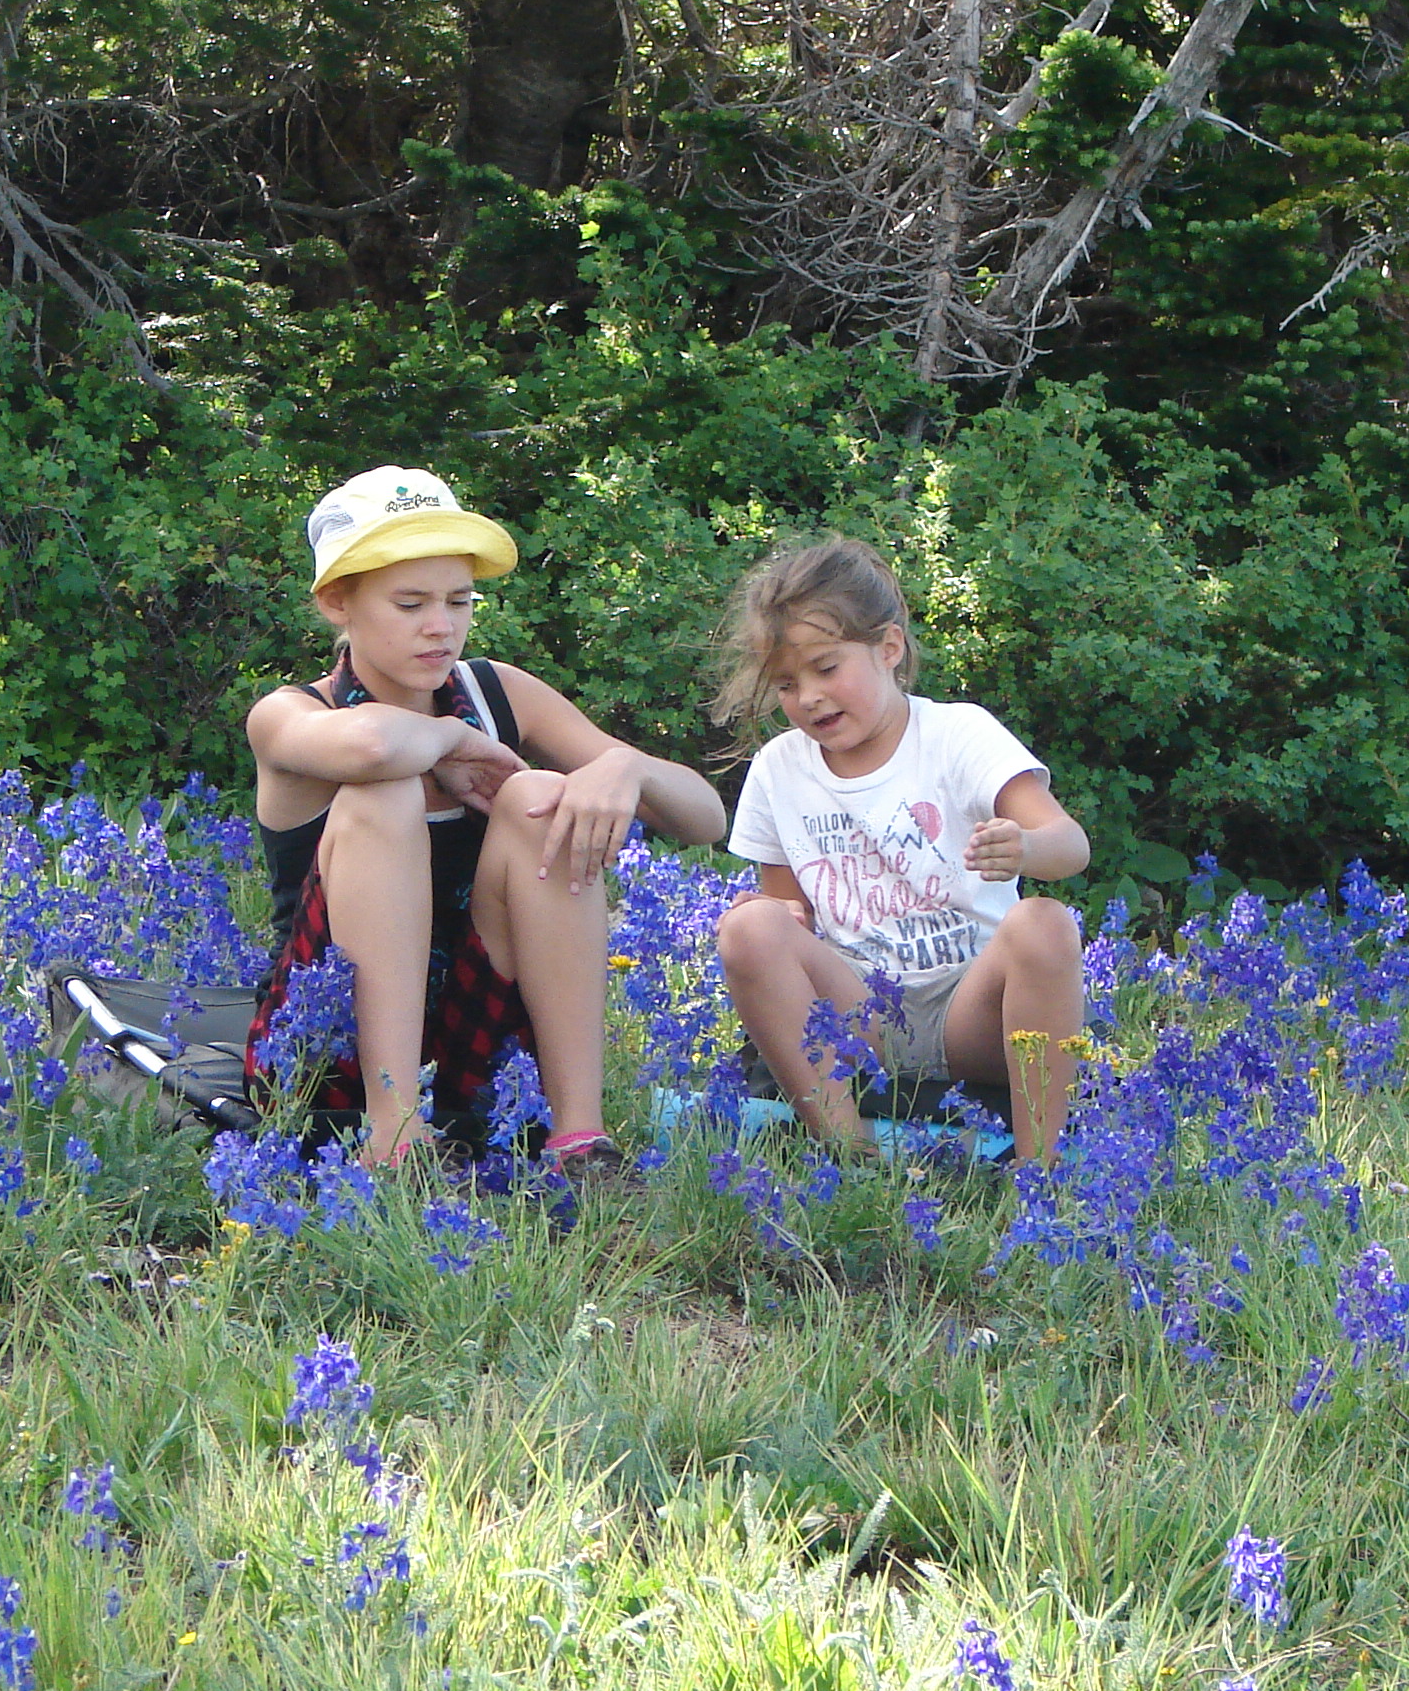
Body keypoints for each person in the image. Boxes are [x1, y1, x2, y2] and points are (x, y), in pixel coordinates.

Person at [245, 466, 727, 1168]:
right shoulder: (289, 714)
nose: (441, 627)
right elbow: (374, 745)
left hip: (481, 1044)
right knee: (386, 790)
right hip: (322, 1053)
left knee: (539, 800)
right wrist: (451, 740)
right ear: (337, 602)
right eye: (410, 604)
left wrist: (627, 766)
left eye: (459, 600)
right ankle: (395, 1135)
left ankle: (577, 1136)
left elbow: (706, 818)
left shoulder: (495, 689)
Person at [713, 538, 1090, 1164]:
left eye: (826, 668)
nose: (808, 696)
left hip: (974, 1008)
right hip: (861, 1014)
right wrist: (775, 919)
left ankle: (1039, 1172)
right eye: (785, 683)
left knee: (1044, 924)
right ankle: (847, 1154)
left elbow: (1070, 846)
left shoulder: (956, 733)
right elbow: (787, 913)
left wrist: (1024, 847)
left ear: (889, 648)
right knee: (747, 927)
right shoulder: (780, 768)